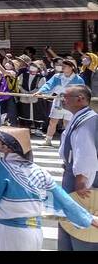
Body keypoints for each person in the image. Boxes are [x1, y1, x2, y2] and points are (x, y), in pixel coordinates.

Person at [0, 126, 97, 250]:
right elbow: (64, 200)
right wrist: (88, 218)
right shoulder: (40, 172)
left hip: (9, 232)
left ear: (5, 146)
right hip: (35, 234)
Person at [57, 84, 97, 251]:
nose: (63, 101)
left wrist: (81, 179)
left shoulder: (87, 120)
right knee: (69, 219)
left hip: (80, 176)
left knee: (80, 220)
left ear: (80, 99)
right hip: (73, 172)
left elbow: (85, 152)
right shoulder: (81, 117)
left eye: (66, 97)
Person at [37, 59, 85, 147]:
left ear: (72, 67)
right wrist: (40, 92)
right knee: (52, 121)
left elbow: (82, 91)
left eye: (65, 66)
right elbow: (48, 85)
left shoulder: (78, 79)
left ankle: (67, 141)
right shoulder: (57, 76)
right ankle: (48, 140)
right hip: (58, 101)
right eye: (62, 66)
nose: (63, 67)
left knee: (67, 123)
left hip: (71, 104)